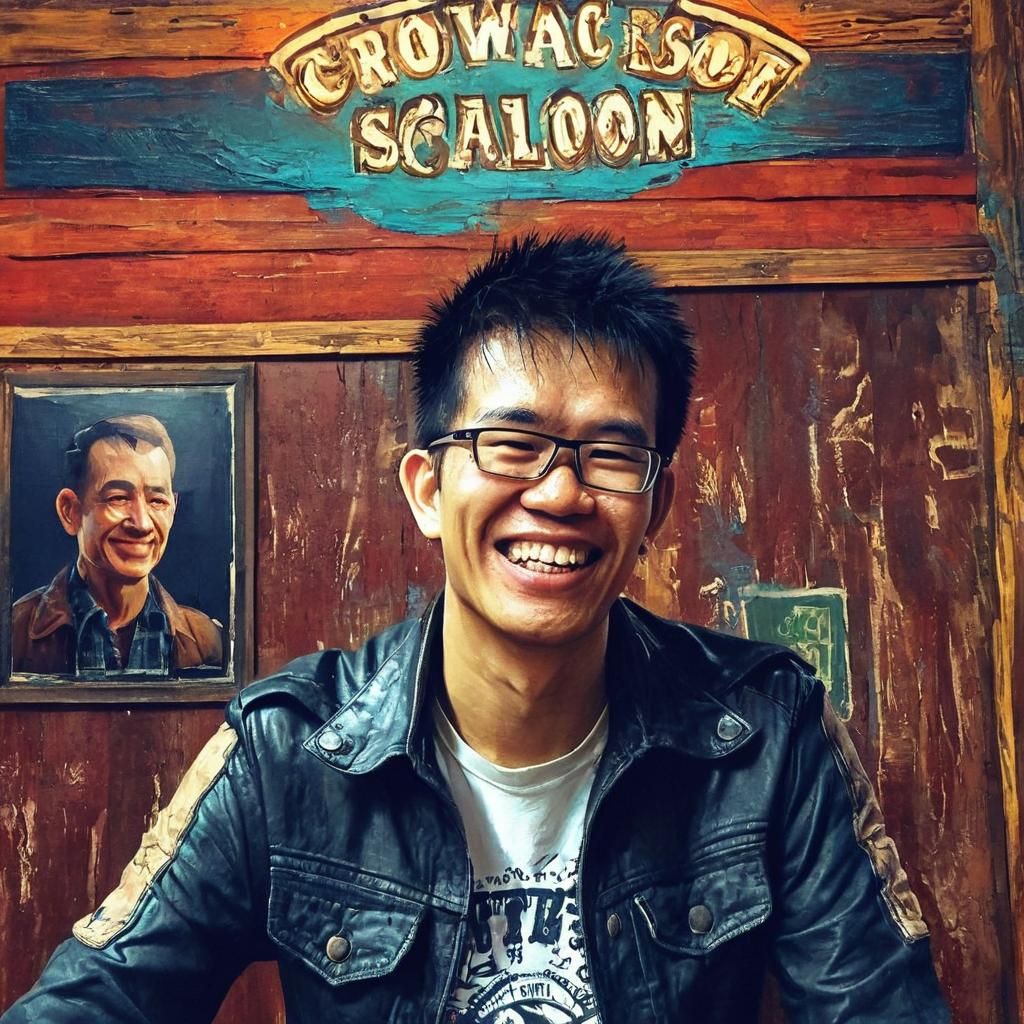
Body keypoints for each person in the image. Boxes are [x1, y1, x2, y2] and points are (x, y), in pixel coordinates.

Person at [1, 235, 949, 1022]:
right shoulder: (289, 751)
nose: (561, 491)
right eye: (512, 443)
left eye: (611, 454)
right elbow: (95, 999)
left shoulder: (769, 733)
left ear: (653, 506)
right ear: (426, 488)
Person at [10, 414, 223, 679]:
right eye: (118, 498)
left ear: (173, 511)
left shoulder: (208, 642)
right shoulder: (12, 634)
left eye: (157, 501)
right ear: (70, 512)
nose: (142, 523)